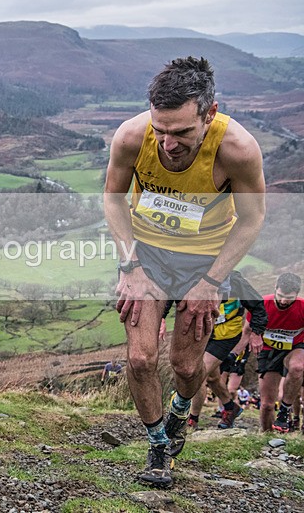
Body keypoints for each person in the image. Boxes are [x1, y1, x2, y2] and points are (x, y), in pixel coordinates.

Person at [103, 57, 265, 487]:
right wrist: (130, 266)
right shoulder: (131, 137)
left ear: (209, 114)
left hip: (204, 261)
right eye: (160, 130)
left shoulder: (237, 149)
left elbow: (251, 219)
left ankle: (179, 410)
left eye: (181, 133)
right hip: (147, 255)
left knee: (188, 368)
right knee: (140, 358)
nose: (168, 144)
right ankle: (158, 445)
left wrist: (211, 282)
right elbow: (113, 198)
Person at [186, 271, 267, 430]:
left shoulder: (234, 280)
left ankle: (191, 420)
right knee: (213, 378)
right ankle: (230, 408)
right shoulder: (195, 274)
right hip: (205, 335)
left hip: (226, 337)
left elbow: (258, 306)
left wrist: (257, 333)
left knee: (198, 373)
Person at [249, 272, 304, 433]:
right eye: (280, 296)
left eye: (290, 298)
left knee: (297, 367)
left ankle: (285, 410)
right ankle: (267, 435)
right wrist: (236, 355)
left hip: (295, 346)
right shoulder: (261, 304)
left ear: (297, 294)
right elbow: (246, 332)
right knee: (267, 405)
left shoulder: (302, 306)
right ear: (275, 289)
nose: (284, 301)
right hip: (268, 350)